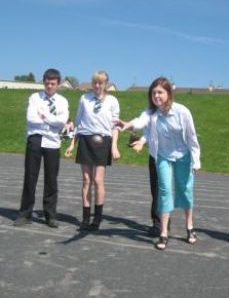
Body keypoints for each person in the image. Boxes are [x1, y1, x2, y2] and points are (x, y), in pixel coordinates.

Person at [119, 77, 201, 250]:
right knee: (163, 191)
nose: (156, 96)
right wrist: (129, 125)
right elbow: (141, 122)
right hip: (162, 156)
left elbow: (192, 138)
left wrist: (196, 160)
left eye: (160, 92)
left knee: (185, 190)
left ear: (168, 93)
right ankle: (163, 233)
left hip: (183, 156)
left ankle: (190, 226)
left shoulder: (182, 112)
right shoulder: (151, 113)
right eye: (153, 93)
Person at [65, 71, 120, 231]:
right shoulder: (84, 98)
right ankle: (85, 219)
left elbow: (115, 125)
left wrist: (114, 145)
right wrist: (71, 144)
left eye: (101, 83)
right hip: (85, 140)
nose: (97, 86)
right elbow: (78, 123)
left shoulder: (112, 101)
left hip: (103, 141)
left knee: (98, 180)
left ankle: (97, 219)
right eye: (95, 82)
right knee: (86, 180)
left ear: (106, 84)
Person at [14, 69, 69, 228]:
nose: (49, 86)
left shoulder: (62, 101)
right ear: (43, 82)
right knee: (30, 177)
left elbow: (62, 122)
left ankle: (50, 215)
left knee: (51, 180)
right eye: (47, 82)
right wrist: (53, 121)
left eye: (53, 83)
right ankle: (25, 214)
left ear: (58, 84)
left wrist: (45, 116)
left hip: (53, 142)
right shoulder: (34, 97)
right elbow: (31, 119)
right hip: (35, 140)